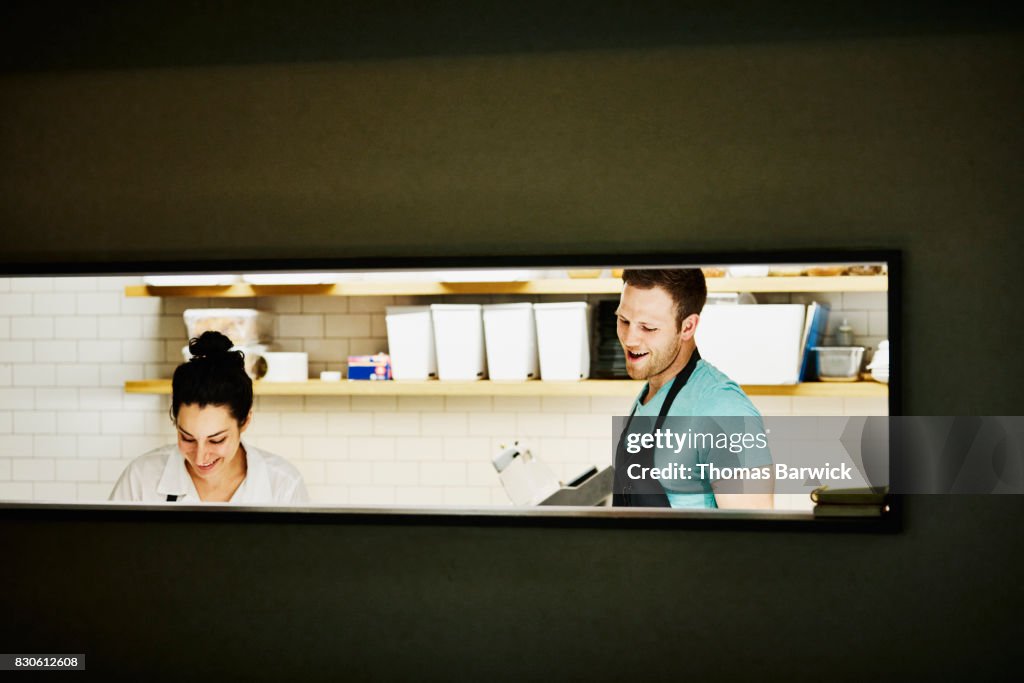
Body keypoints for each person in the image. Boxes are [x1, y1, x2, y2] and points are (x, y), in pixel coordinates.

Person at [613, 268, 773, 509]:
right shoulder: (651, 391)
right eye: (624, 320)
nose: (630, 339)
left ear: (687, 327)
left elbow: (756, 541)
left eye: (648, 327)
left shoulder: (722, 410)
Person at [110, 331, 309, 504]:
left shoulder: (283, 486)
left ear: (245, 421)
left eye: (216, 440)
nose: (200, 456)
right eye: (187, 438)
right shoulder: (140, 479)